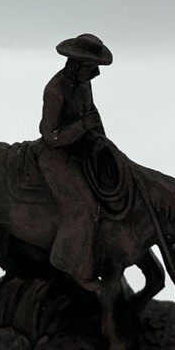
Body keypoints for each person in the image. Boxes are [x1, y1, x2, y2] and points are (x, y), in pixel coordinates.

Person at [37, 33, 112, 283]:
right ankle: (70, 262)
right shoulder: (55, 90)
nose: (96, 74)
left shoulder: (83, 84)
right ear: (77, 65)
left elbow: (92, 112)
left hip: (81, 147)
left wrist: (104, 141)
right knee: (84, 207)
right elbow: (50, 136)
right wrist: (81, 126)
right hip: (56, 155)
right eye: (92, 67)